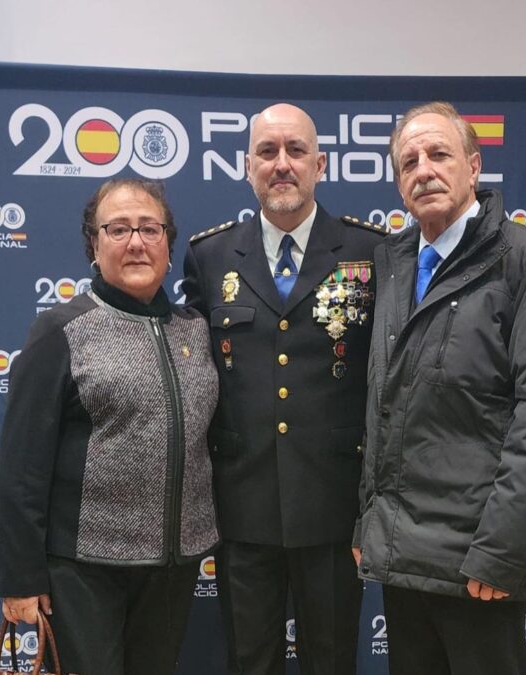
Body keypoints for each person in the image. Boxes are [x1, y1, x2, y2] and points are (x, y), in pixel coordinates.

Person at [352, 102, 526, 675]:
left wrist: (503, 551)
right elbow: (384, 408)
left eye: (439, 154)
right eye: (409, 162)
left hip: (477, 564)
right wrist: (369, 521)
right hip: (403, 557)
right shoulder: (392, 265)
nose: (424, 170)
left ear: (474, 166)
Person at [182, 103, 387, 675]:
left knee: (332, 660)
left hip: (334, 502)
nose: (282, 164)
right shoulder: (210, 255)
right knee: (251, 660)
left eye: (296, 151)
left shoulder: (370, 250)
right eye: (267, 152)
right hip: (243, 504)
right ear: (247, 166)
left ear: (319, 165)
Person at [0, 178, 219, 675]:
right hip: (84, 572)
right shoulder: (60, 331)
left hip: (172, 569)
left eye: (149, 229)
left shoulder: (195, 329)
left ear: (168, 245)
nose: (136, 242)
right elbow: (22, 467)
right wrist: (21, 579)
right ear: (94, 248)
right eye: (118, 229)